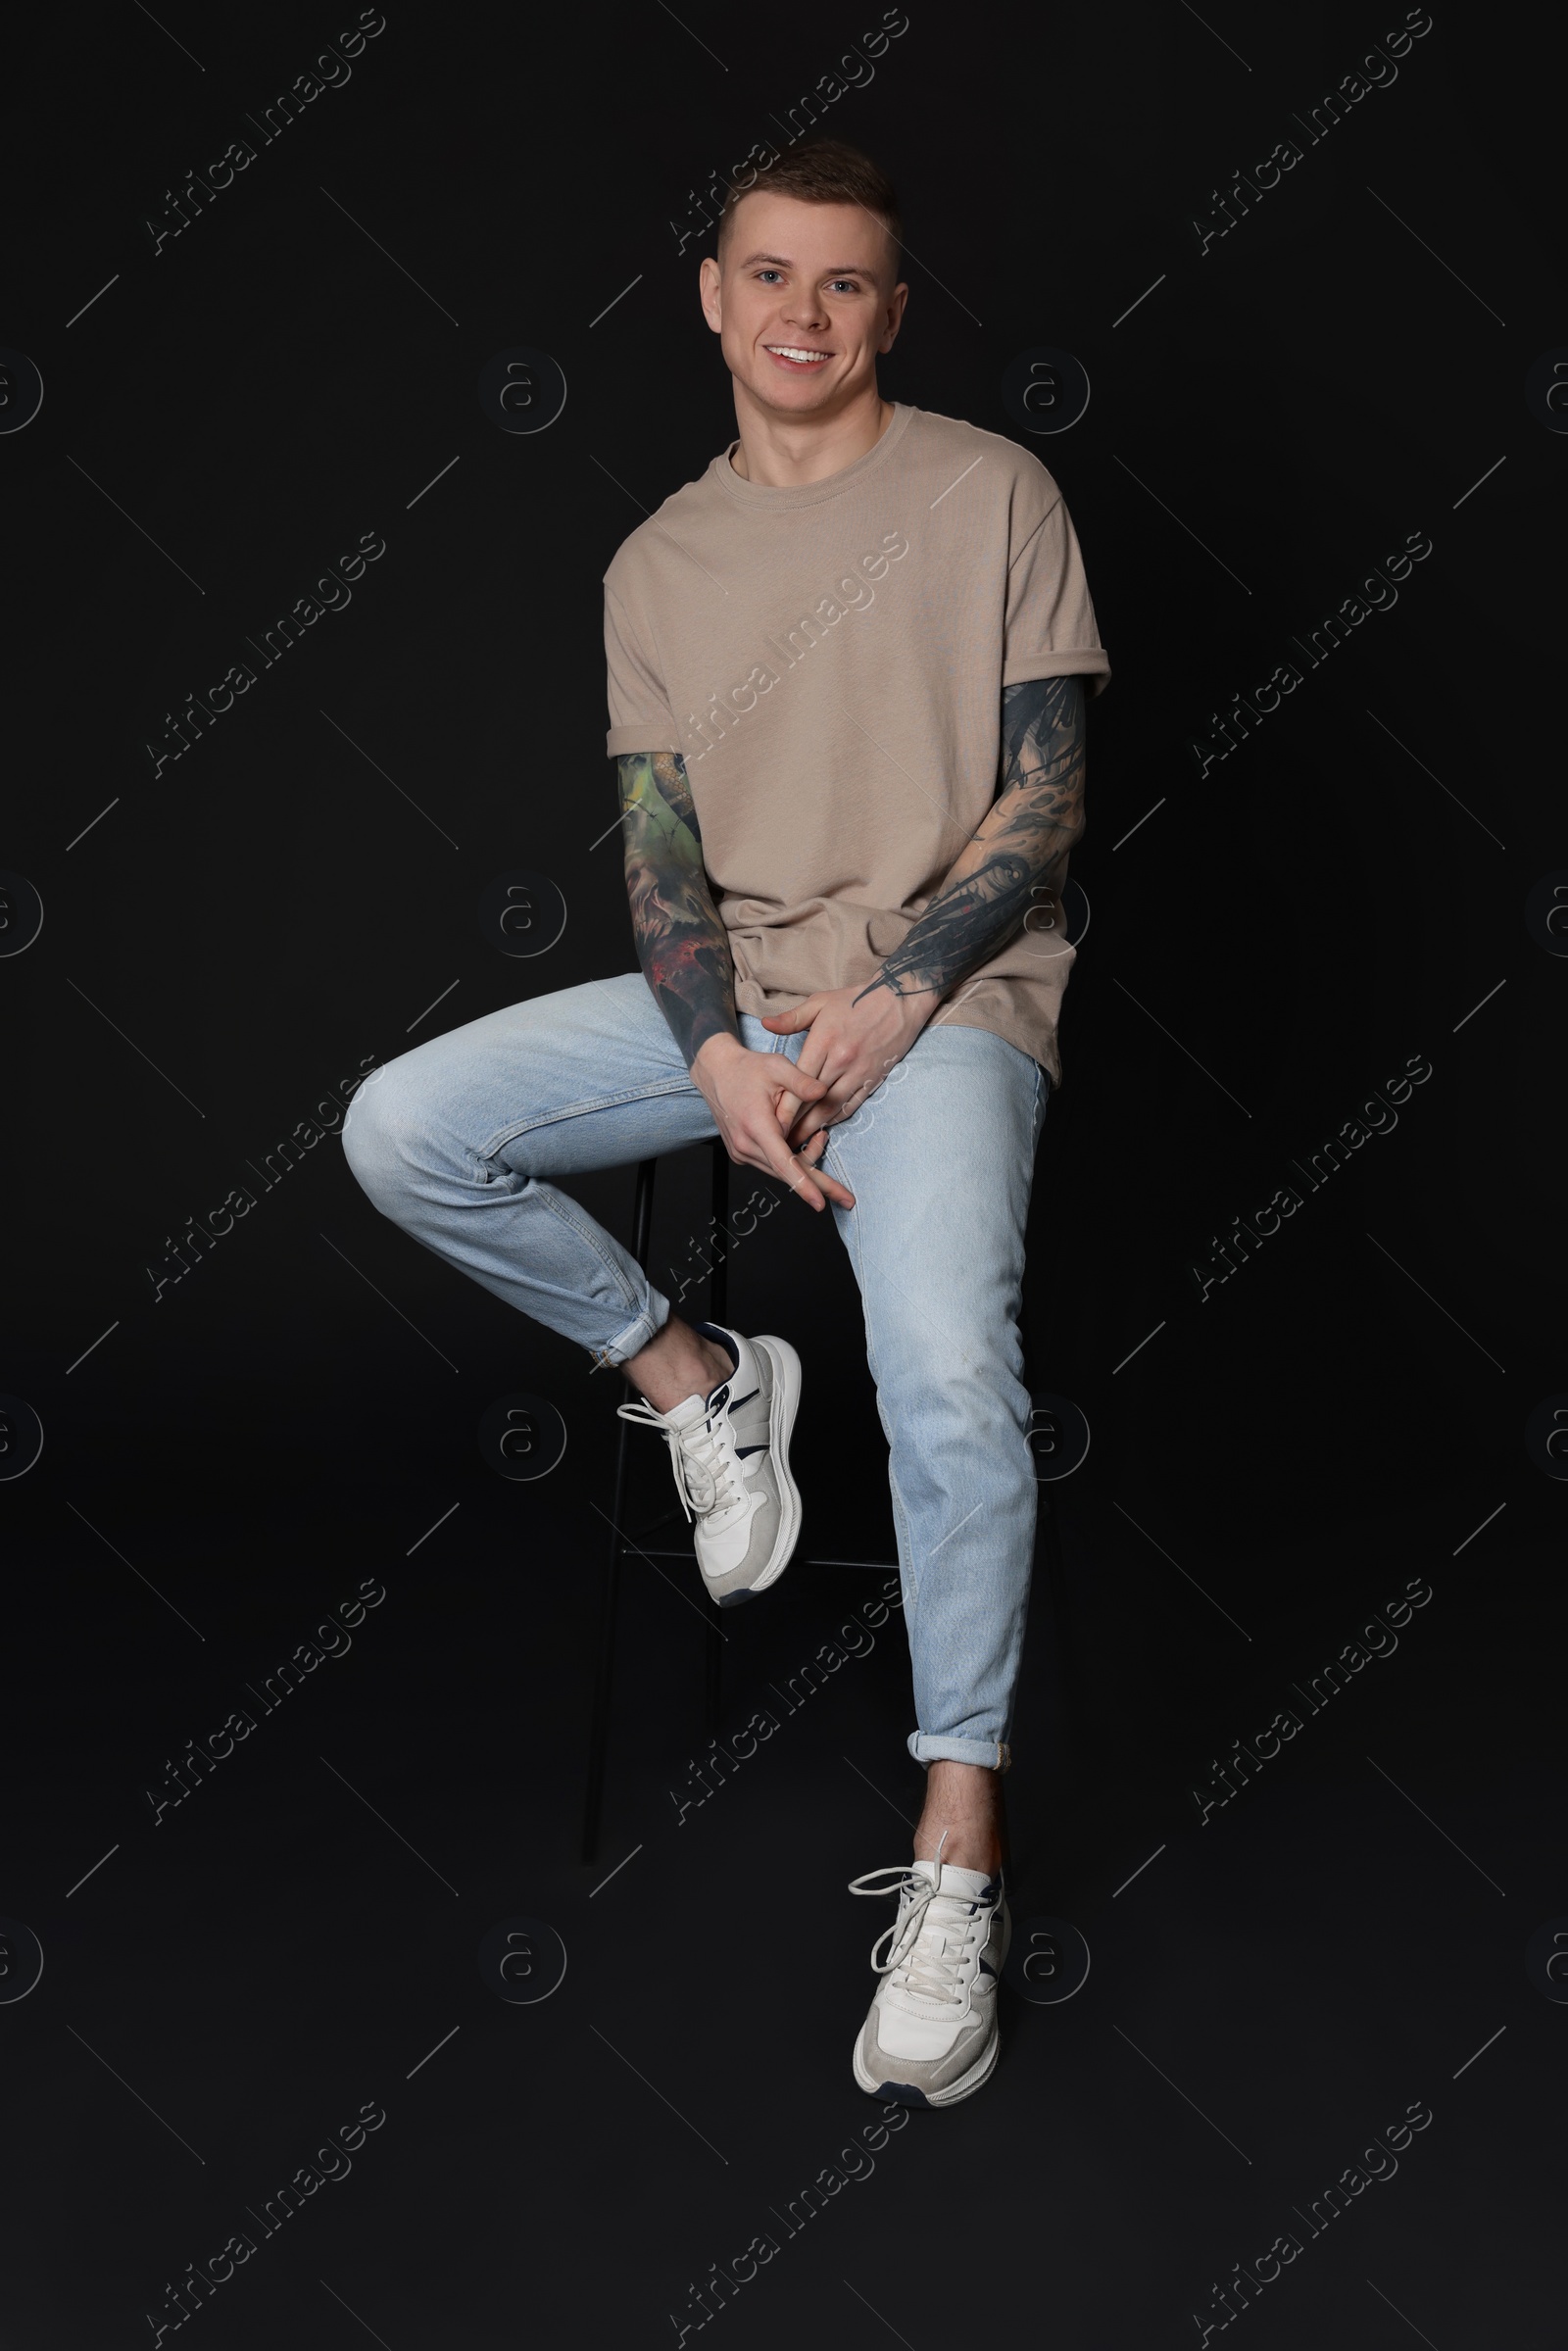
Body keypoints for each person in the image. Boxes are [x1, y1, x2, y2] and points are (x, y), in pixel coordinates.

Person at [342, 134, 1109, 2107]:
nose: (801, 317)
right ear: (710, 295)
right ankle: (695, 1380)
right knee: (400, 1123)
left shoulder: (990, 492)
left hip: (939, 1010)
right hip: (736, 1004)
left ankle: (957, 1839)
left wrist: (885, 1005)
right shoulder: (659, 565)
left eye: (842, 285)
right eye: (768, 278)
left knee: (943, 1371)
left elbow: (1040, 806)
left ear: (891, 310)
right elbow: (662, 865)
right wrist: (711, 1057)